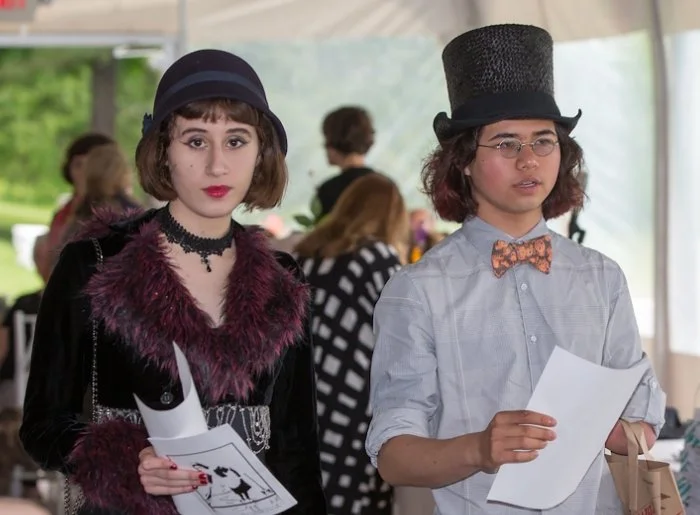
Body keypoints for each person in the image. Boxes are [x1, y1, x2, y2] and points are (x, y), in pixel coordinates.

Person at [365, 24, 666, 514]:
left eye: (543, 141)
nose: (529, 160)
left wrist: (622, 431)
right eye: (506, 143)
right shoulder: (417, 290)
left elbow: (640, 418)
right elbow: (393, 457)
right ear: (462, 160)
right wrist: (480, 449)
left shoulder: (602, 277)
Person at [20, 49, 327, 515]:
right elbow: (42, 425)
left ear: (262, 153)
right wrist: (128, 460)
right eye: (197, 141)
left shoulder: (283, 278)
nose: (218, 165)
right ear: (163, 151)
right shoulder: (95, 264)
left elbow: (295, 445)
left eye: (237, 141)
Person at [294, 174, 408, 515]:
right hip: (353, 400)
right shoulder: (379, 259)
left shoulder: (307, 253)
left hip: (306, 394)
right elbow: (404, 332)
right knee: (352, 493)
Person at [46, 133, 114, 252]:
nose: (85, 173)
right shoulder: (62, 214)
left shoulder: (115, 216)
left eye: (92, 166)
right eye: (79, 165)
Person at [311, 106, 377, 223]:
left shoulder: (329, 190)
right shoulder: (388, 186)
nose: (323, 145)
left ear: (334, 139)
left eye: (326, 137)